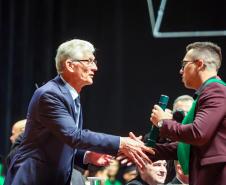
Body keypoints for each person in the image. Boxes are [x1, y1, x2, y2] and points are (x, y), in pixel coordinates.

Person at [4, 39, 154, 185]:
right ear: (70, 65)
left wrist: (87, 155)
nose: (95, 67)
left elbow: (57, 143)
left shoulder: (71, 95)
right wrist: (121, 142)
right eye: (89, 61)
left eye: (94, 61)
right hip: (33, 178)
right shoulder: (50, 94)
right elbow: (73, 135)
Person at [150, 42, 226, 185]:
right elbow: (187, 145)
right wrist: (144, 149)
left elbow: (198, 134)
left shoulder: (215, 90)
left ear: (199, 64)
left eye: (184, 64)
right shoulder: (207, 92)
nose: (181, 70)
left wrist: (163, 122)